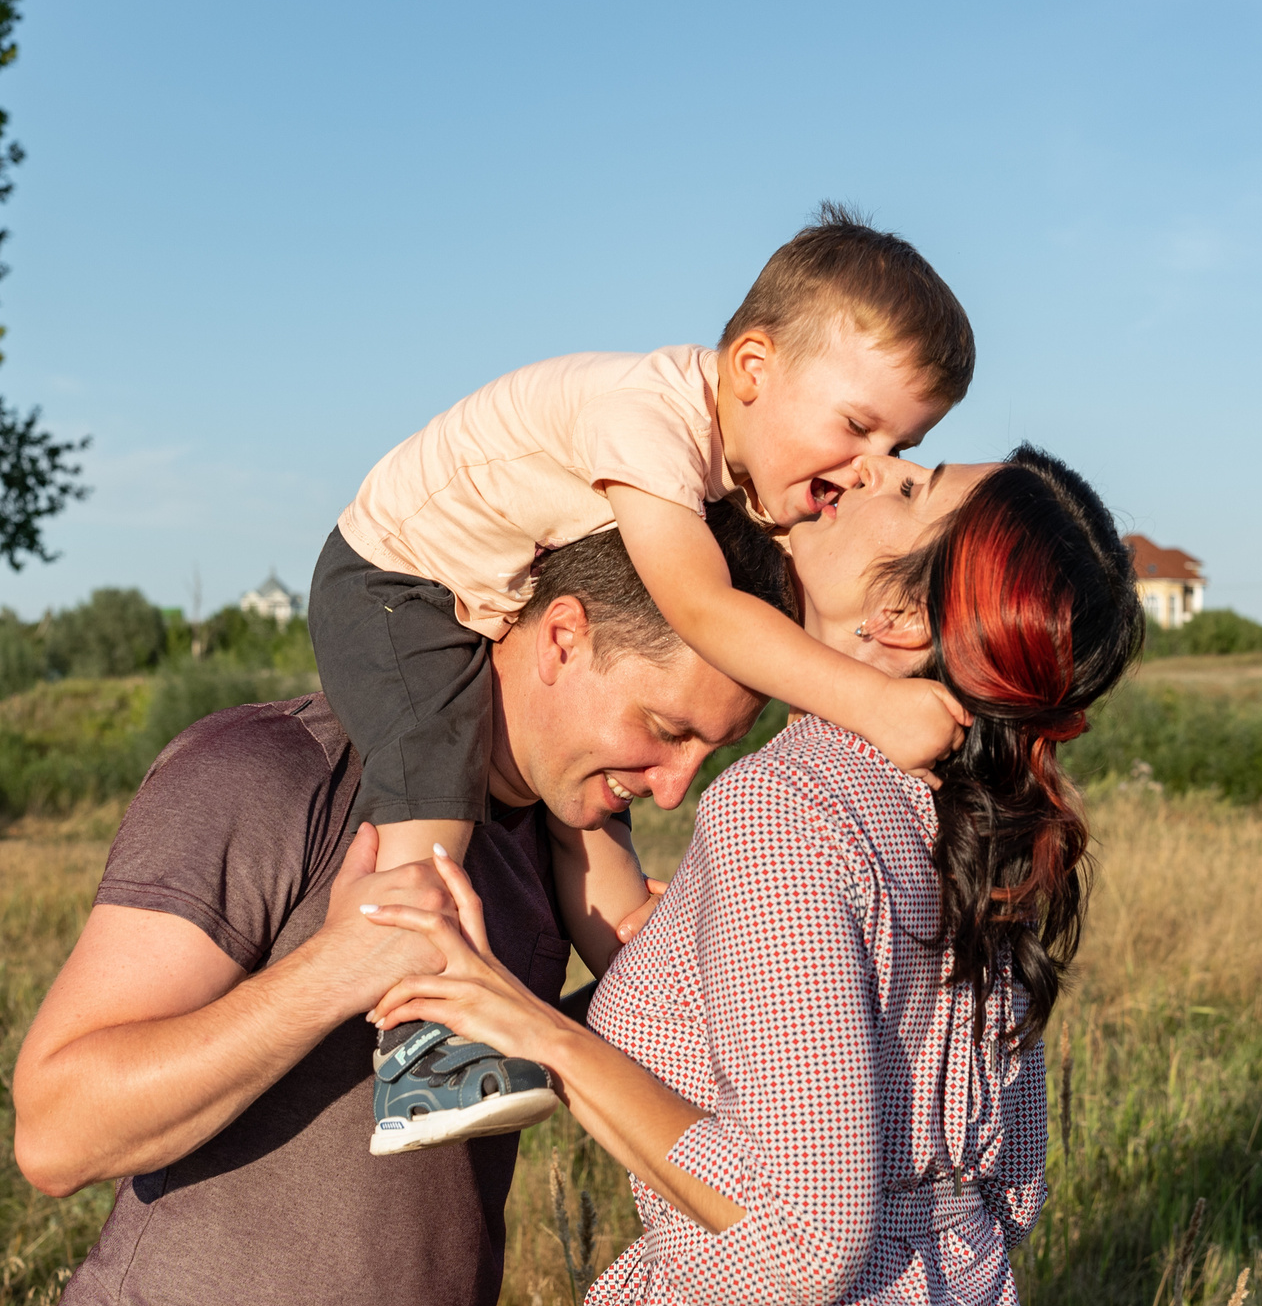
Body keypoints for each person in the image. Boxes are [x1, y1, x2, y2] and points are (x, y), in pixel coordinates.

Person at [365, 445, 1144, 1306]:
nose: (869, 467)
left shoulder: (787, 807)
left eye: (911, 486)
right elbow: (1009, 1186)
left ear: (900, 619)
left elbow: (802, 1237)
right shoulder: (976, 816)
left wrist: (539, 1031)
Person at [9, 515, 788, 1306]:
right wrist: (335, 968)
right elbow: (56, 1131)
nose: (673, 789)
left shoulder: (555, 834)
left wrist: (670, 978)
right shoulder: (272, 771)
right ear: (562, 636)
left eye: (709, 751)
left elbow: (516, 1060)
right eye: (667, 730)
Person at [310, 206, 978, 1153]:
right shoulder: (650, 420)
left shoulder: (738, 461)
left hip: (484, 595)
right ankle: (419, 1042)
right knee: (434, 777)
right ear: (753, 368)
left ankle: (643, 964)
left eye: (898, 450)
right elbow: (701, 608)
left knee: (590, 817)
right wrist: (873, 703)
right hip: (394, 583)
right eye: (857, 426)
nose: (866, 470)